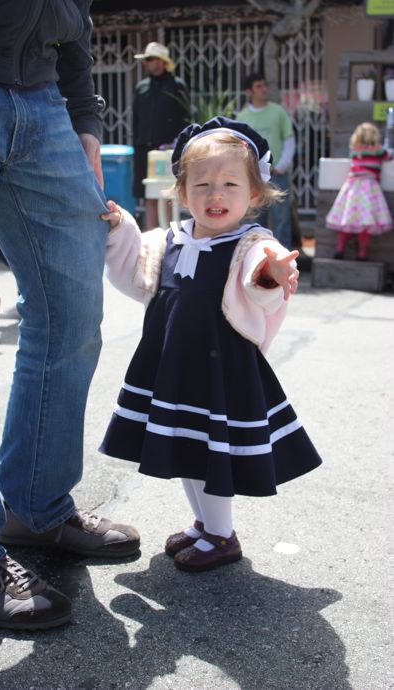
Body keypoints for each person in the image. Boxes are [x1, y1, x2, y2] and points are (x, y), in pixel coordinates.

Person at [0, 1, 140, 631]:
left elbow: (74, 22)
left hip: (44, 99)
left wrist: (84, 120)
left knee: (72, 316)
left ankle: (36, 506)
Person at [99, 116, 322, 573]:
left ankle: (222, 535)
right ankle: (204, 524)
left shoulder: (251, 242)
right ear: (182, 193)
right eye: (201, 184)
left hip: (222, 369)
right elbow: (135, 271)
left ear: (254, 194)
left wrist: (274, 272)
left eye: (229, 184)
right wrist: (119, 226)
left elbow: (258, 272)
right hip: (173, 364)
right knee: (186, 445)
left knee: (212, 450)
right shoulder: (170, 239)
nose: (214, 194)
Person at [132, 41, 190, 230]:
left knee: (166, 192)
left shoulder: (177, 85)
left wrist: (178, 147)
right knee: (148, 193)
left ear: (164, 62)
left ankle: (168, 235)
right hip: (144, 150)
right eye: (149, 59)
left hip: (167, 150)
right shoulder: (141, 87)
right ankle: (150, 237)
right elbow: (136, 120)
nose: (153, 63)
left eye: (157, 59)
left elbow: (186, 118)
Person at [237, 73, 295, 249]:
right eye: (258, 86)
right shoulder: (242, 117)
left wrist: (282, 166)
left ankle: (284, 255)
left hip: (276, 173)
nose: (264, 89)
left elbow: (289, 140)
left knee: (282, 218)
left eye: (264, 85)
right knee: (255, 217)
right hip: (254, 176)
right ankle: (258, 255)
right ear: (249, 91)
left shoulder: (278, 111)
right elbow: (239, 147)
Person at [326, 122, 393, 260]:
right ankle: (362, 254)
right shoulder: (378, 150)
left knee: (347, 222)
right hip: (369, 189)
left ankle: (339, 249)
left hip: (352, 188)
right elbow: (390, 156)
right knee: (365, 224)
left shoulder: (356, 150)